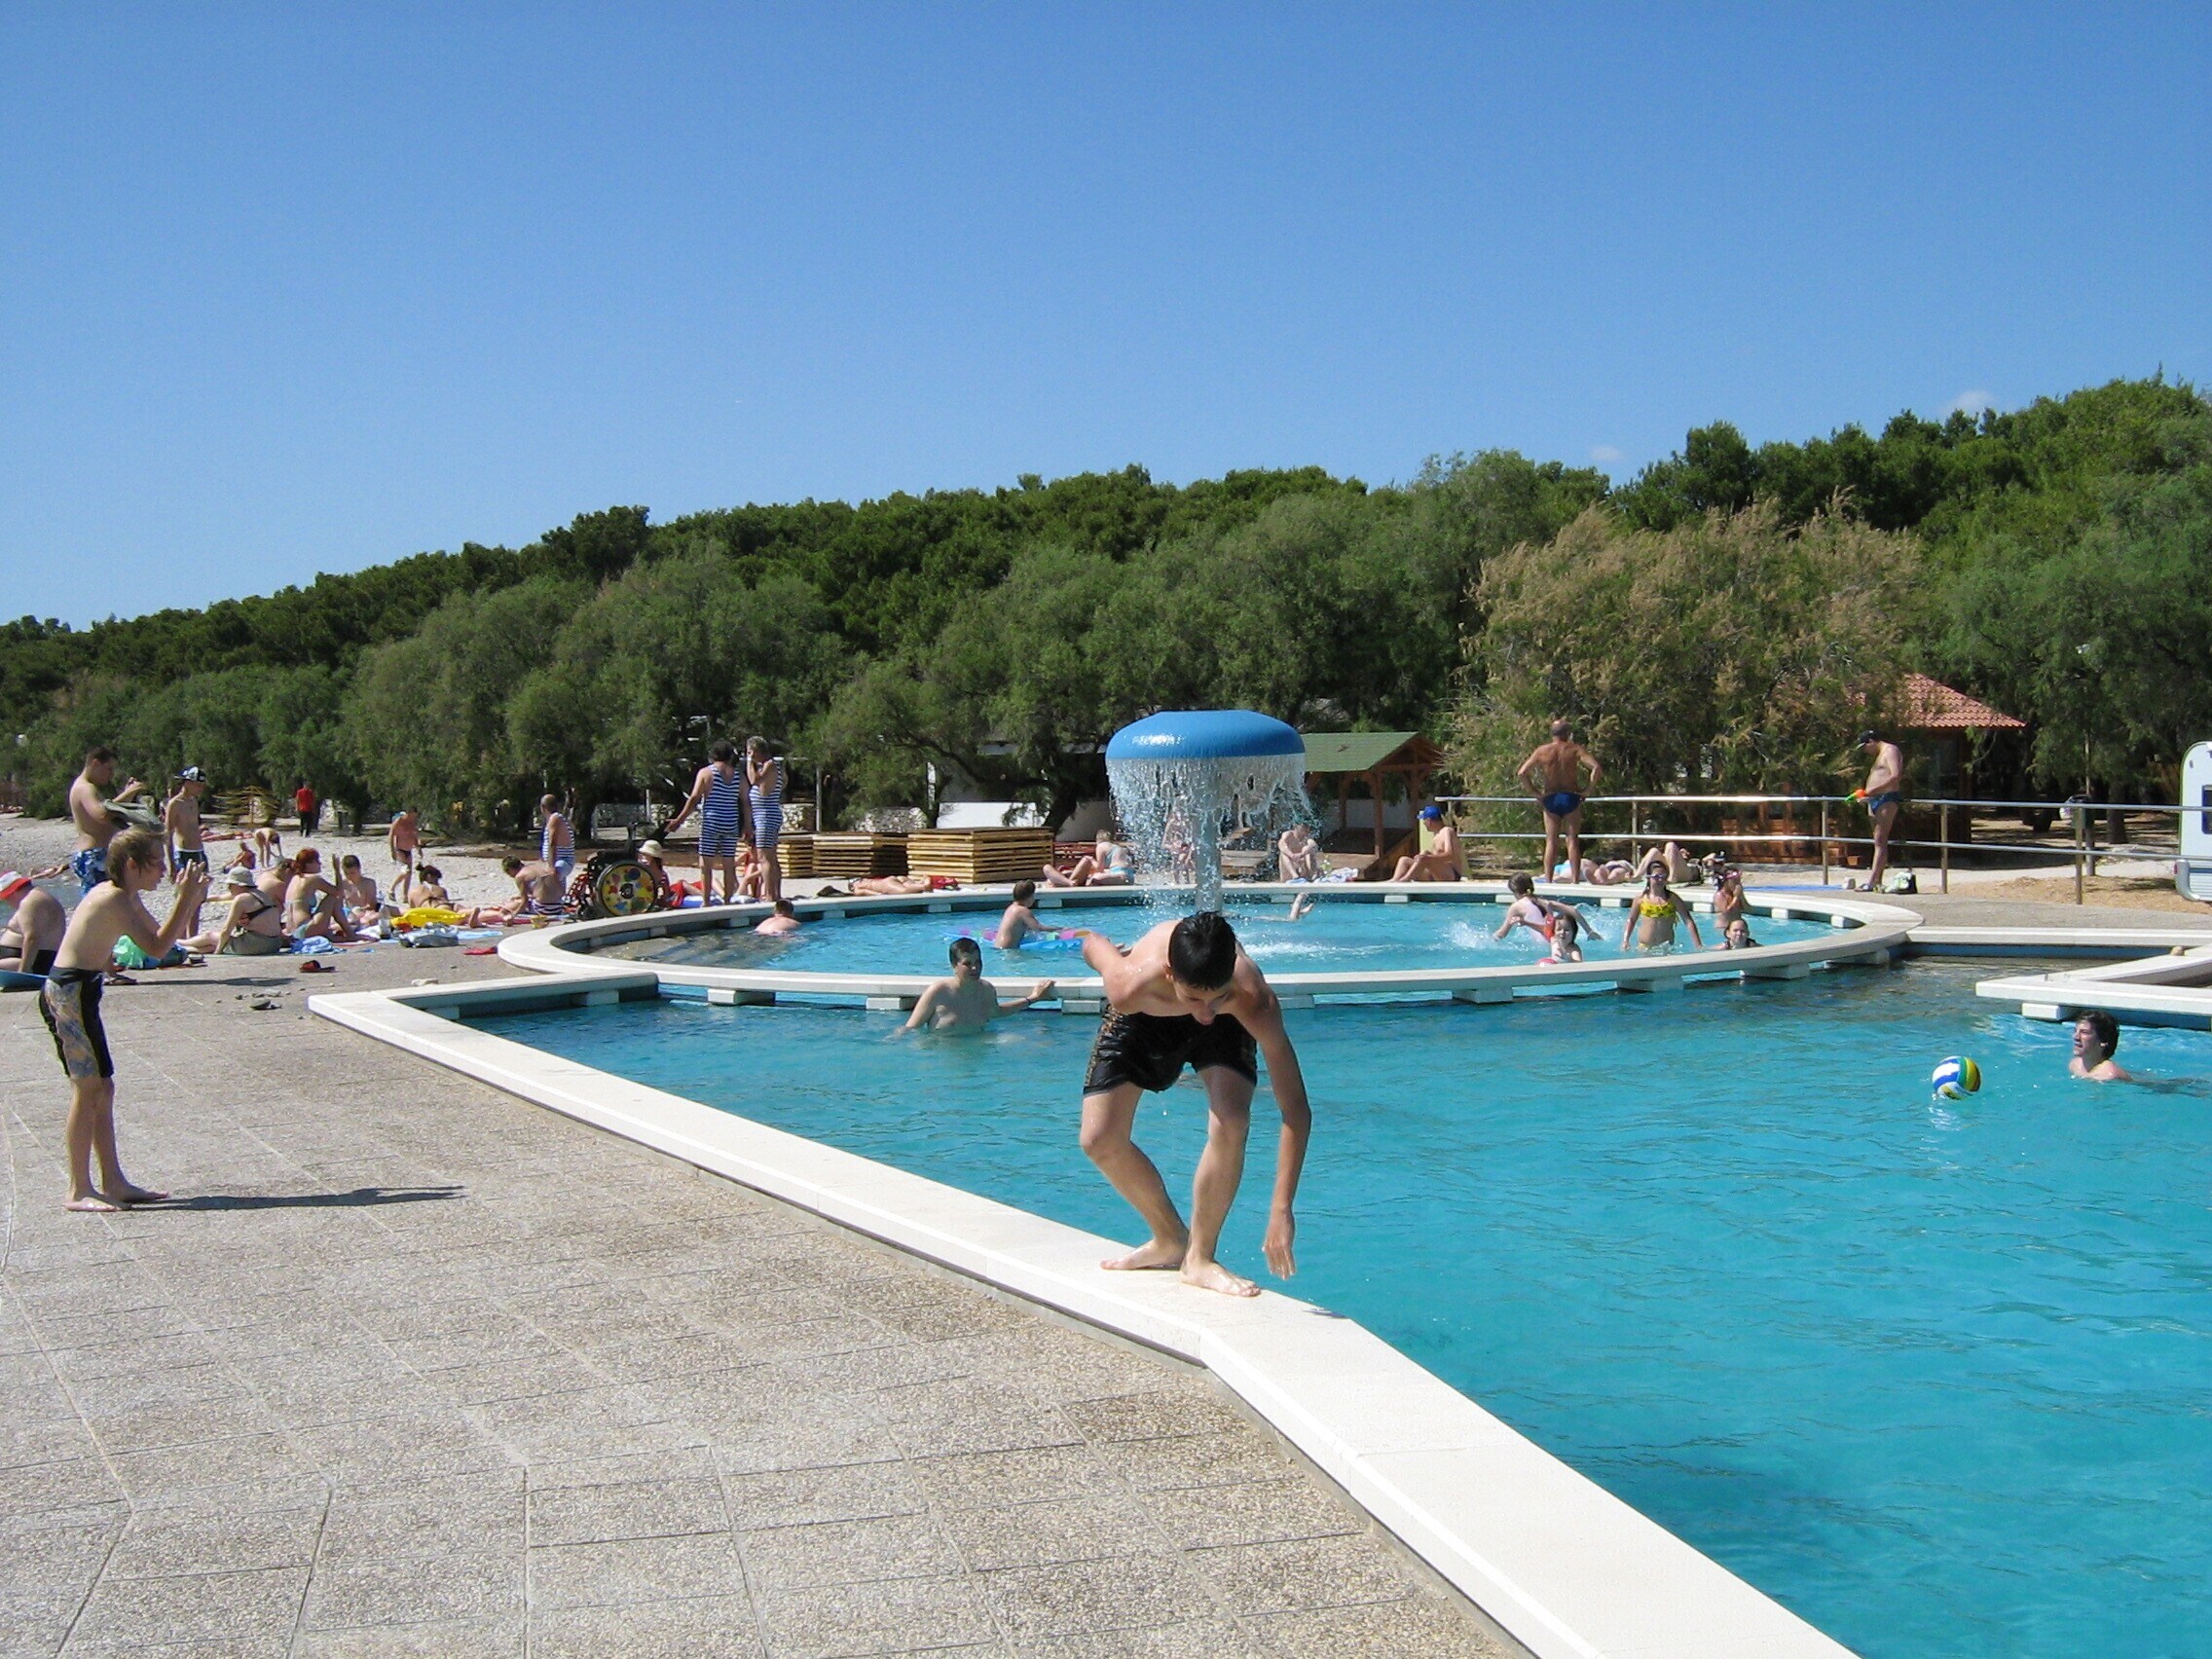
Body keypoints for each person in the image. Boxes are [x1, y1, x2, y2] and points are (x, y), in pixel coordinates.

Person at [1076, 911, 1311, 1298]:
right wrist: (1097, 946)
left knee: (1231, 1122)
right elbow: (1092, 944)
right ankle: (1170, 1239)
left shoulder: (1251, 999)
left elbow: (1295, 1109)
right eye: (1195, 999)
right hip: (1146, 1014)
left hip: (1229, 1023)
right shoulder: (1130, 984)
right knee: (1099, 1139)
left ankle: (1199, 1258)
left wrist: (1282, 1207)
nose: (1204, 1013)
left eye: (1217, 997)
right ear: (1170, 972)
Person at [41, 827, 205, 1210]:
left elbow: (164, 939)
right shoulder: (113, 898)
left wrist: (191, 900)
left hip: (83, 991)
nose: (163, 870)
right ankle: (78, 1189)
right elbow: (157, 948)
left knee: (104, 1087)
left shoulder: (125, 897)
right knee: (87, 1089)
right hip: (69, 993)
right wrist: (184, 900)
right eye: (156, 863)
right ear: (133, 865)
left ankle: (112, 1181)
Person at [903, 938, 1057, 1033]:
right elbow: (910, 1028)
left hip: (979, 1051)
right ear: (954, 965)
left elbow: (997, 1012)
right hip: (944, 1055)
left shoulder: (986, 989)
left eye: (978, 962)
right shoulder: (938, 992)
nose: (975, 968)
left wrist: (1033, 998)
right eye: (967, 964)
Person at [1517, 719, 1604, 881]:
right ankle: (1575, 880)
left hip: (1550, 798)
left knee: (1551, 841)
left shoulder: (1542, 751)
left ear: (1552, 733)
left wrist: (1536, 793)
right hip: (1571, 796)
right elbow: (1596, 768)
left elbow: (1522, 773)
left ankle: (1549, 879)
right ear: (1568, 733)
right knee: (1572, 840)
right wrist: (1588, 790)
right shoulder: (1574, 749)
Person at [666, 739, 748, 905]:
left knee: (706, 864)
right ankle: (727, 900)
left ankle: (706, 901)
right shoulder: (738, 776)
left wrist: (679, 820)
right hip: (730, 821)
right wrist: (747, 825)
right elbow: (746, 802)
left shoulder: (706, 773)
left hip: (712, 821)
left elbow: (694, 798)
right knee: (728, 863)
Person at [67, 746, 147, 894]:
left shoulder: (87, 787)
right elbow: (102, 815)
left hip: (98, 853)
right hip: (94, 855)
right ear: (95, 763)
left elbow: (110, 812)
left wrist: (126, 794)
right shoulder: (85, 788)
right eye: (109, 769)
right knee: (102, 902)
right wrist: (130, 792)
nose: (111, 775)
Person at [180, 866, 287, 956]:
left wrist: (218, 952)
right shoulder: (260, 895)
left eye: (230, 885)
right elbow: (220, 897)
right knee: (210, 946)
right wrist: (203, 898)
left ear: (238, 885)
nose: (229, 888)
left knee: (209, 936)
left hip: (256, 944)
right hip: (274, 943)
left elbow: (226, 930)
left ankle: (178, 944)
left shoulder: (241, 899)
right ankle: (182, 949)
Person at [1494, 872, 1592, 963]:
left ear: (1514, 891)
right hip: (1557, 939)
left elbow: (1502, 933)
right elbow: (1572, 910)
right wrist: (1589, 931)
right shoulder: (1544, 902)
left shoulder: (1516, 906)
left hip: (1544, 946)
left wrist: (1491, 939)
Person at [1855, 730, 1905, 893]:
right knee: (1877, 840)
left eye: (1865, 747)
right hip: (1874, 799)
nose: (1865, 751)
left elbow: (1895, 776)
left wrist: (1872, 791)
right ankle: (1877, 881)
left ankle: (1872, 881)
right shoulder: (1880, 755)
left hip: (1886, 798)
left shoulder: (1890, 750)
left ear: (1871, 741)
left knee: (1880, 839)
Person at [0, 871, 66, 977]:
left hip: (32, 961)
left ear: (13, 892)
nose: (7, 903)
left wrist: (23, 972)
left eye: (6, 898)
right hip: (26, 958)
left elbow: (32, 938)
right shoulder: (35, 897)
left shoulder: (31, 901)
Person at [746, 736, 787, 903]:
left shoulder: (769, 765)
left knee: (765, 857)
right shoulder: (772, 766)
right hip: (766, 815)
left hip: (766, 816)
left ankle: (771, 895)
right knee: (771, 856)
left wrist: (749, 761)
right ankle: (775, 893)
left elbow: (754, 780)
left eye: (750, 751)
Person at [1622, 868, 1703, 952]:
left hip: (1666, 947)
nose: (1660, 880)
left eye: (1663, 877)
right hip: (1645, 947)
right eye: (1656, 877)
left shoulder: (1673, 899)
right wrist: (1625, 941)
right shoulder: (1640, 899)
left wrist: (1698, 945)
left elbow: (1688, 921)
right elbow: (1631, 920)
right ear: (1648, 878)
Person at [284, 848, 356, 941]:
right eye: (317, 861)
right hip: (305, 929)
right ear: (308, 864)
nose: (320, 864)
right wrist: (337, 870)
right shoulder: (312, 879)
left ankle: (344, 934)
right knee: (333, 897)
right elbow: (339, 893)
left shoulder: (295, 878)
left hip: (292, 931)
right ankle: (351, 934)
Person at [164, 768, 211, 891]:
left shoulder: (193, 801)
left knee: (200, 892)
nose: (200, 788)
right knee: (185, 892)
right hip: (183, 852)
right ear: (187, 783)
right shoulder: (175, 804)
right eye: (198, 785)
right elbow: (168, 834)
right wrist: (171, 864)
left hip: (199, 850)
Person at [1389, 805, 1463, 883]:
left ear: (1429, 821)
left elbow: (1450, 855)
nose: (1424, 823)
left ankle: (1405, 880)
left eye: (1424, 820)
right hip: (1434, 874)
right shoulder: (1436, 834)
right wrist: (1422, 859)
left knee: (1425, 853)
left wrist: (1427, 857)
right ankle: (1394, 880)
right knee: (1404, 860)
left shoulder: (1447, 831)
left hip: (1451, 874)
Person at [1045, 834, 1136, 888]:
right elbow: (1101, 870)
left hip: (1073, 880)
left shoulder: (1102, 846)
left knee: (1087, 862)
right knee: (1047, 868)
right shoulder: (1116, 848)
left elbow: (1100, 870)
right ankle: (1067, 882)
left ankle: (1067, 882)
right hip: (1070, 880)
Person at [2070, 1011, 2133, 1083]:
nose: (2075, 1037)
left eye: (2085, 1032)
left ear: (2103, 1040)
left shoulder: (2108, 1076)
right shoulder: (2074, 1065)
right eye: (2075, 1031)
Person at [994, 880, 1050, 949]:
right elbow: (1038, 928)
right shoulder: (1023, 911)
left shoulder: (1010, 908)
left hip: (998, 948)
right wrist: (1060, 929)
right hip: (1009, 951)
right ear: (1029, 897)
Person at [336, 854, 387, 928]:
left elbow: (371, 905)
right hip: (350, 915)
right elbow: (339, 905)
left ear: (359, 869)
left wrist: (359, 910)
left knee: (377, 916)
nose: (349, 876)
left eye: (352, 873)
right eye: (346, 873)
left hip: (366, 913)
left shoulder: (368, 883)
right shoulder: (343, 884)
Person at [539, 793, 575, 892]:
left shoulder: (554, 818)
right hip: (559, 860)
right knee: (556, 889)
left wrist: (551, 866)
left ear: (542, 807)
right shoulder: (559, 818)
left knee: (547, 883)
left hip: (562, 861)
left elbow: (552, 843)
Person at [388, 807, 422, 886]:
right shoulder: (399, 821)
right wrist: (392, 851)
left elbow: (414, 836)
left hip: (408, 850)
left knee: (409, 874)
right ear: (408, 813)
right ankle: (392, 888)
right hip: (399, 849)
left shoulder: (412, 823)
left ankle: (405, 896)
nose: (413, 818)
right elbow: (391, 835)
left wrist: (418, 848)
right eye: (412, 815)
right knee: (406, 871)